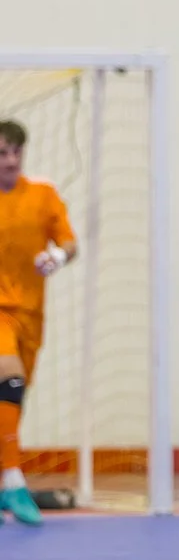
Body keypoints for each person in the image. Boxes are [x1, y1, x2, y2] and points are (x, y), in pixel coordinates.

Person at [0, 119, 78, 527]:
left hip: (32, 314)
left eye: (16, 152)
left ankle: (2, 479)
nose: (10, 161)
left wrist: (58, 258)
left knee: (11, 399)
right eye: (1, 153)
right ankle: (13, 481)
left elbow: (69, 242)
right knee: (7, 379)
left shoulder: (44, 195)